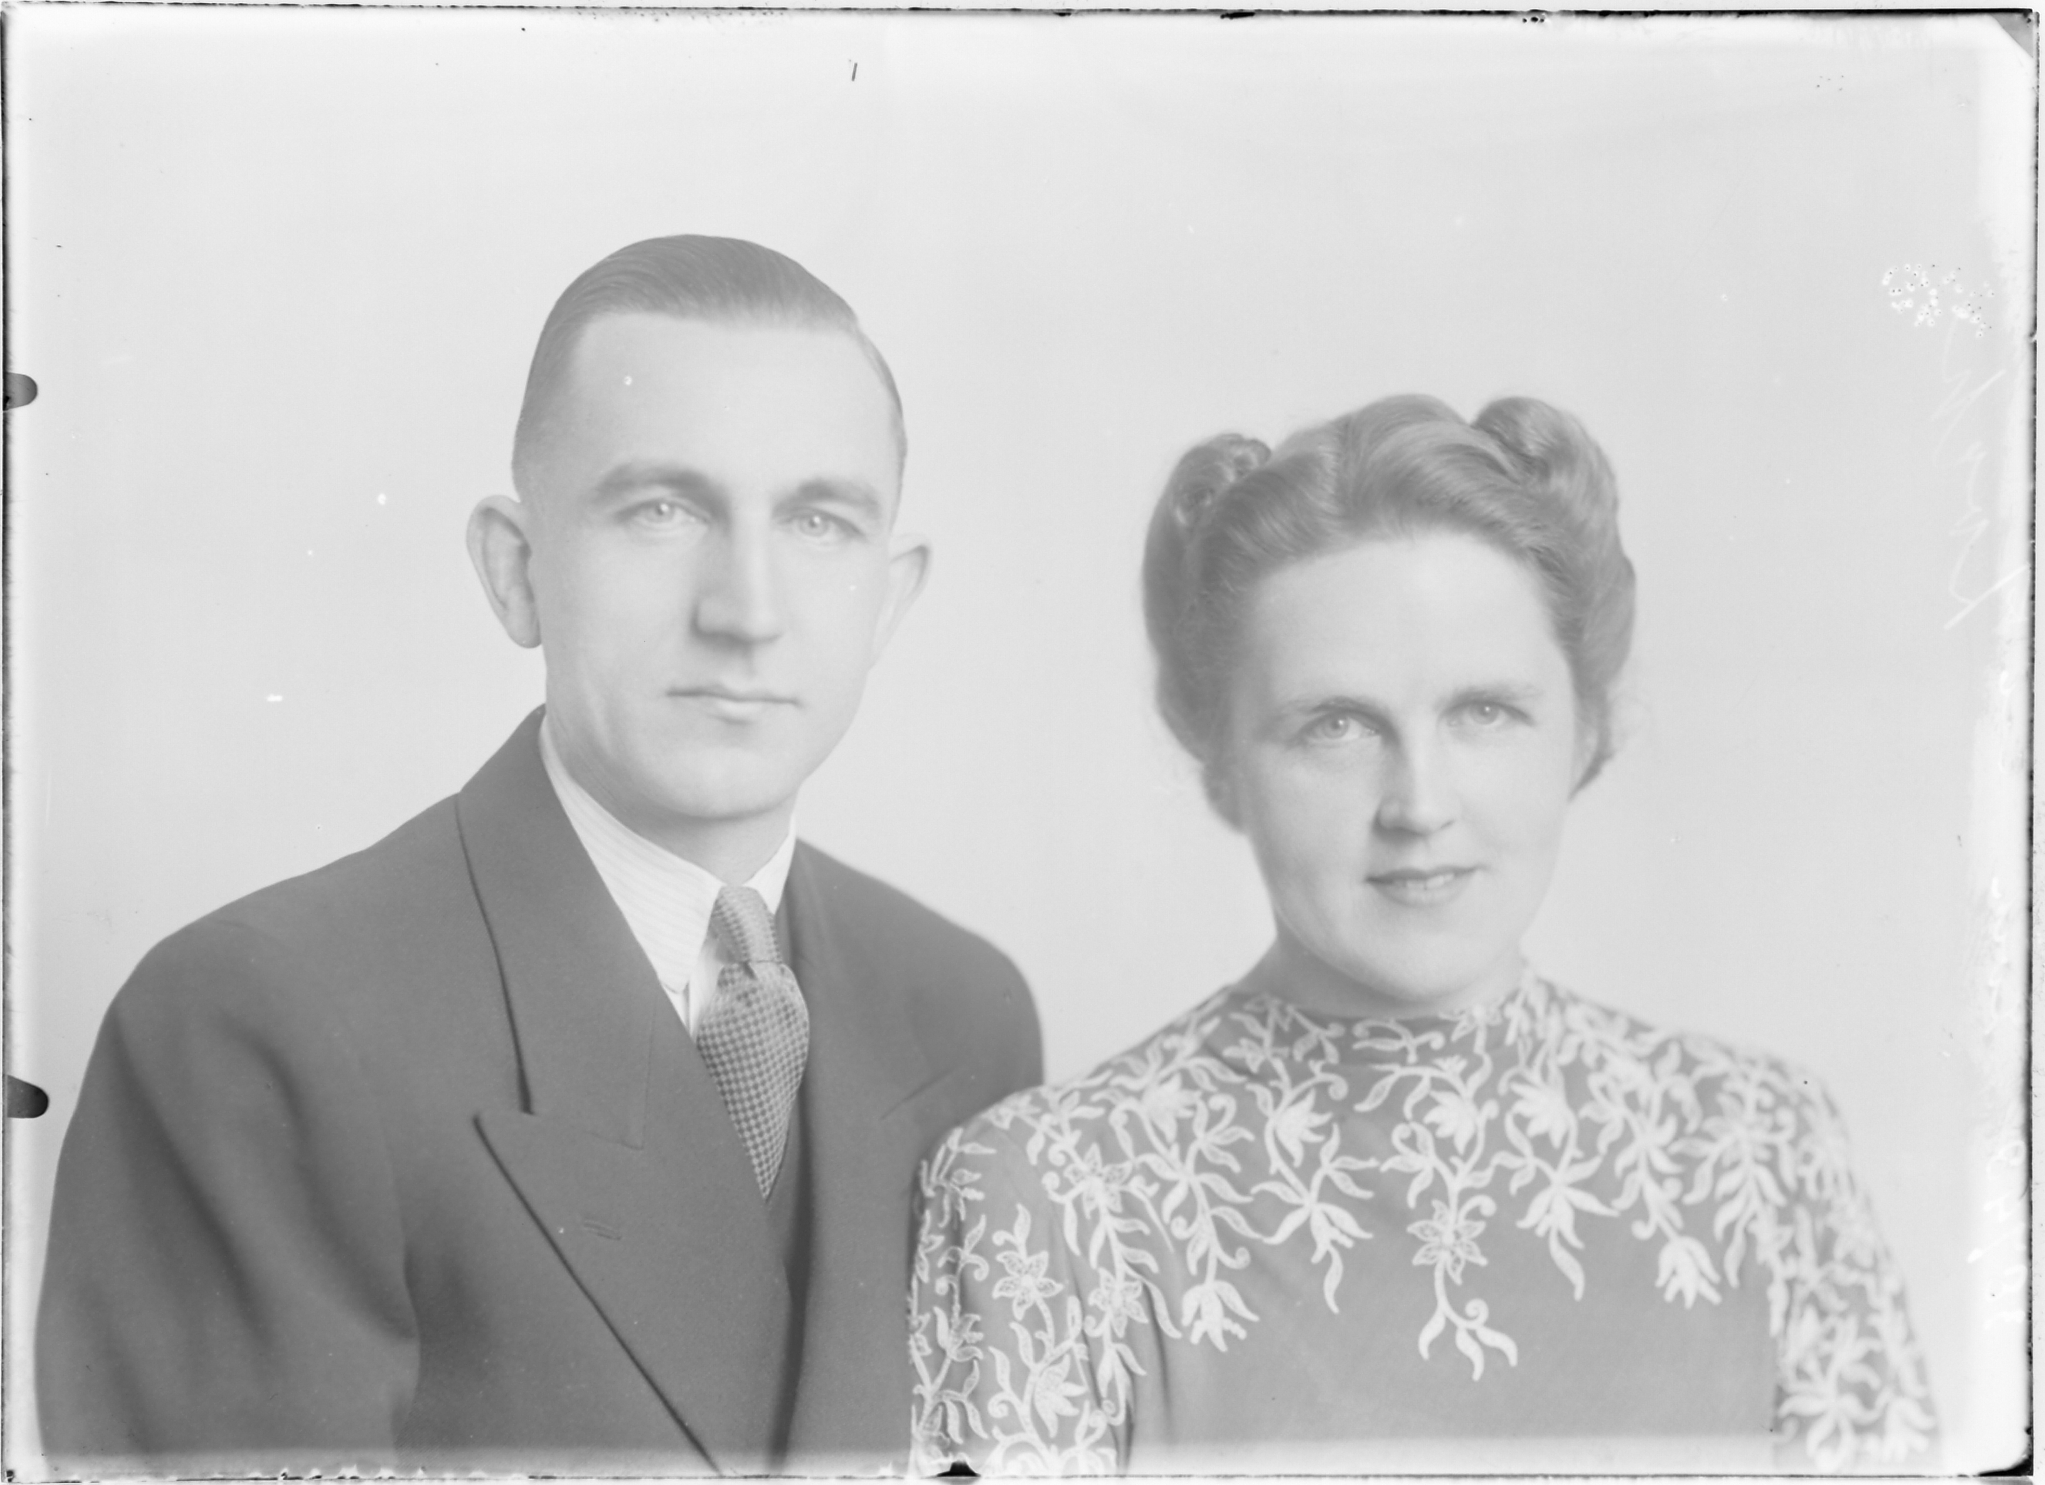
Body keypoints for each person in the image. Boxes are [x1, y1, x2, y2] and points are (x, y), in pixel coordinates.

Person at [38, 235, 1042, 1475]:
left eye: (818, 521)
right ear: (516, 572)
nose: (746, 612)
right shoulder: (255, 1025)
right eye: (661, 511)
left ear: (888, 601)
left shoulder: (964, 1014)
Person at [907, 395, 1936, 1474]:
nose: (1420, 805)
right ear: (1219, 761)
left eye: (1484, 711)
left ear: (1584, 729)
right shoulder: (1050, 1194)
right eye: (1335, 725)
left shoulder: (1761, 1149)